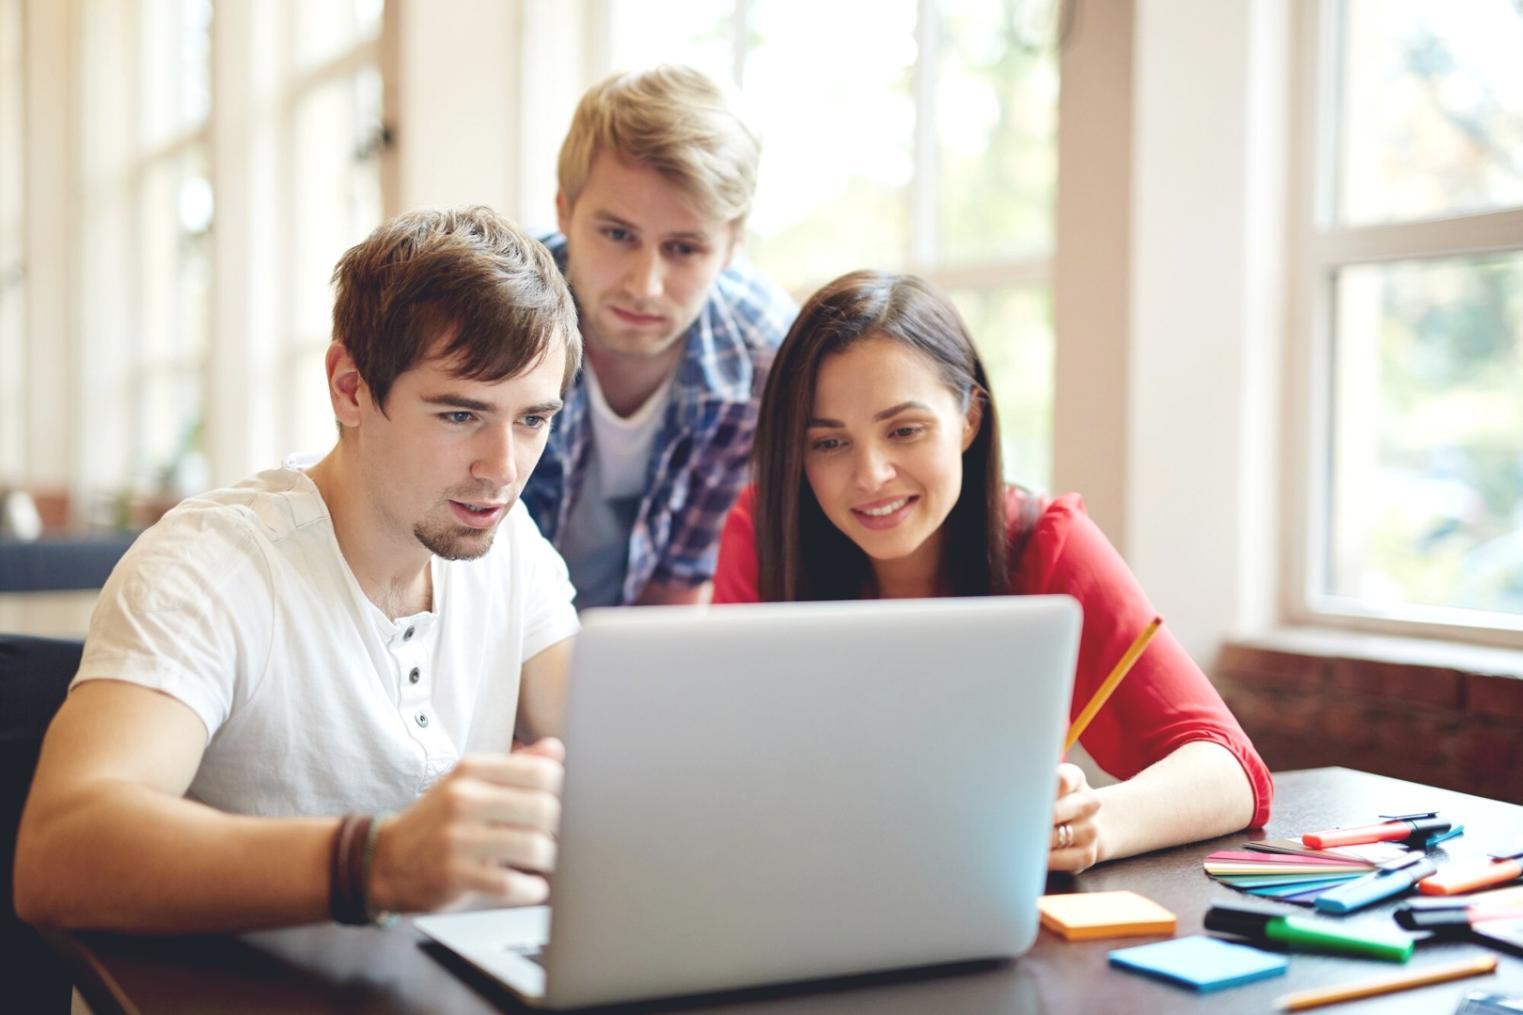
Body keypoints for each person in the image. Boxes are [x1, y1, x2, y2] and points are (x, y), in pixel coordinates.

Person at [15, 208, 582, 932]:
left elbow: (616, 756)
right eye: (459, 415)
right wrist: (374, 862)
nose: (502, 469)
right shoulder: (206, 567)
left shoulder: (511, 545)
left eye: (532, 420)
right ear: (350, 387)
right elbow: (60, 853)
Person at [711, 270, 1274, 873]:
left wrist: (1097, 823)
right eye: (828, 443)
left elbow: (1233, 773)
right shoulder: (762, 535)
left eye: (905, 431)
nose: (871, 474)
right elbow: (718, 763)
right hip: (804, 883)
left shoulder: (1045, 543)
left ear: (969, 420)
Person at [524, 65, 796, 609]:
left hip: (630, 637)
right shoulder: (488, 314)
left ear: (732, 245)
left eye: (683, 249)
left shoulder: (764, 359)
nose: (644, 286)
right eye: (617, 234)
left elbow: (679, 585)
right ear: (565, 212)